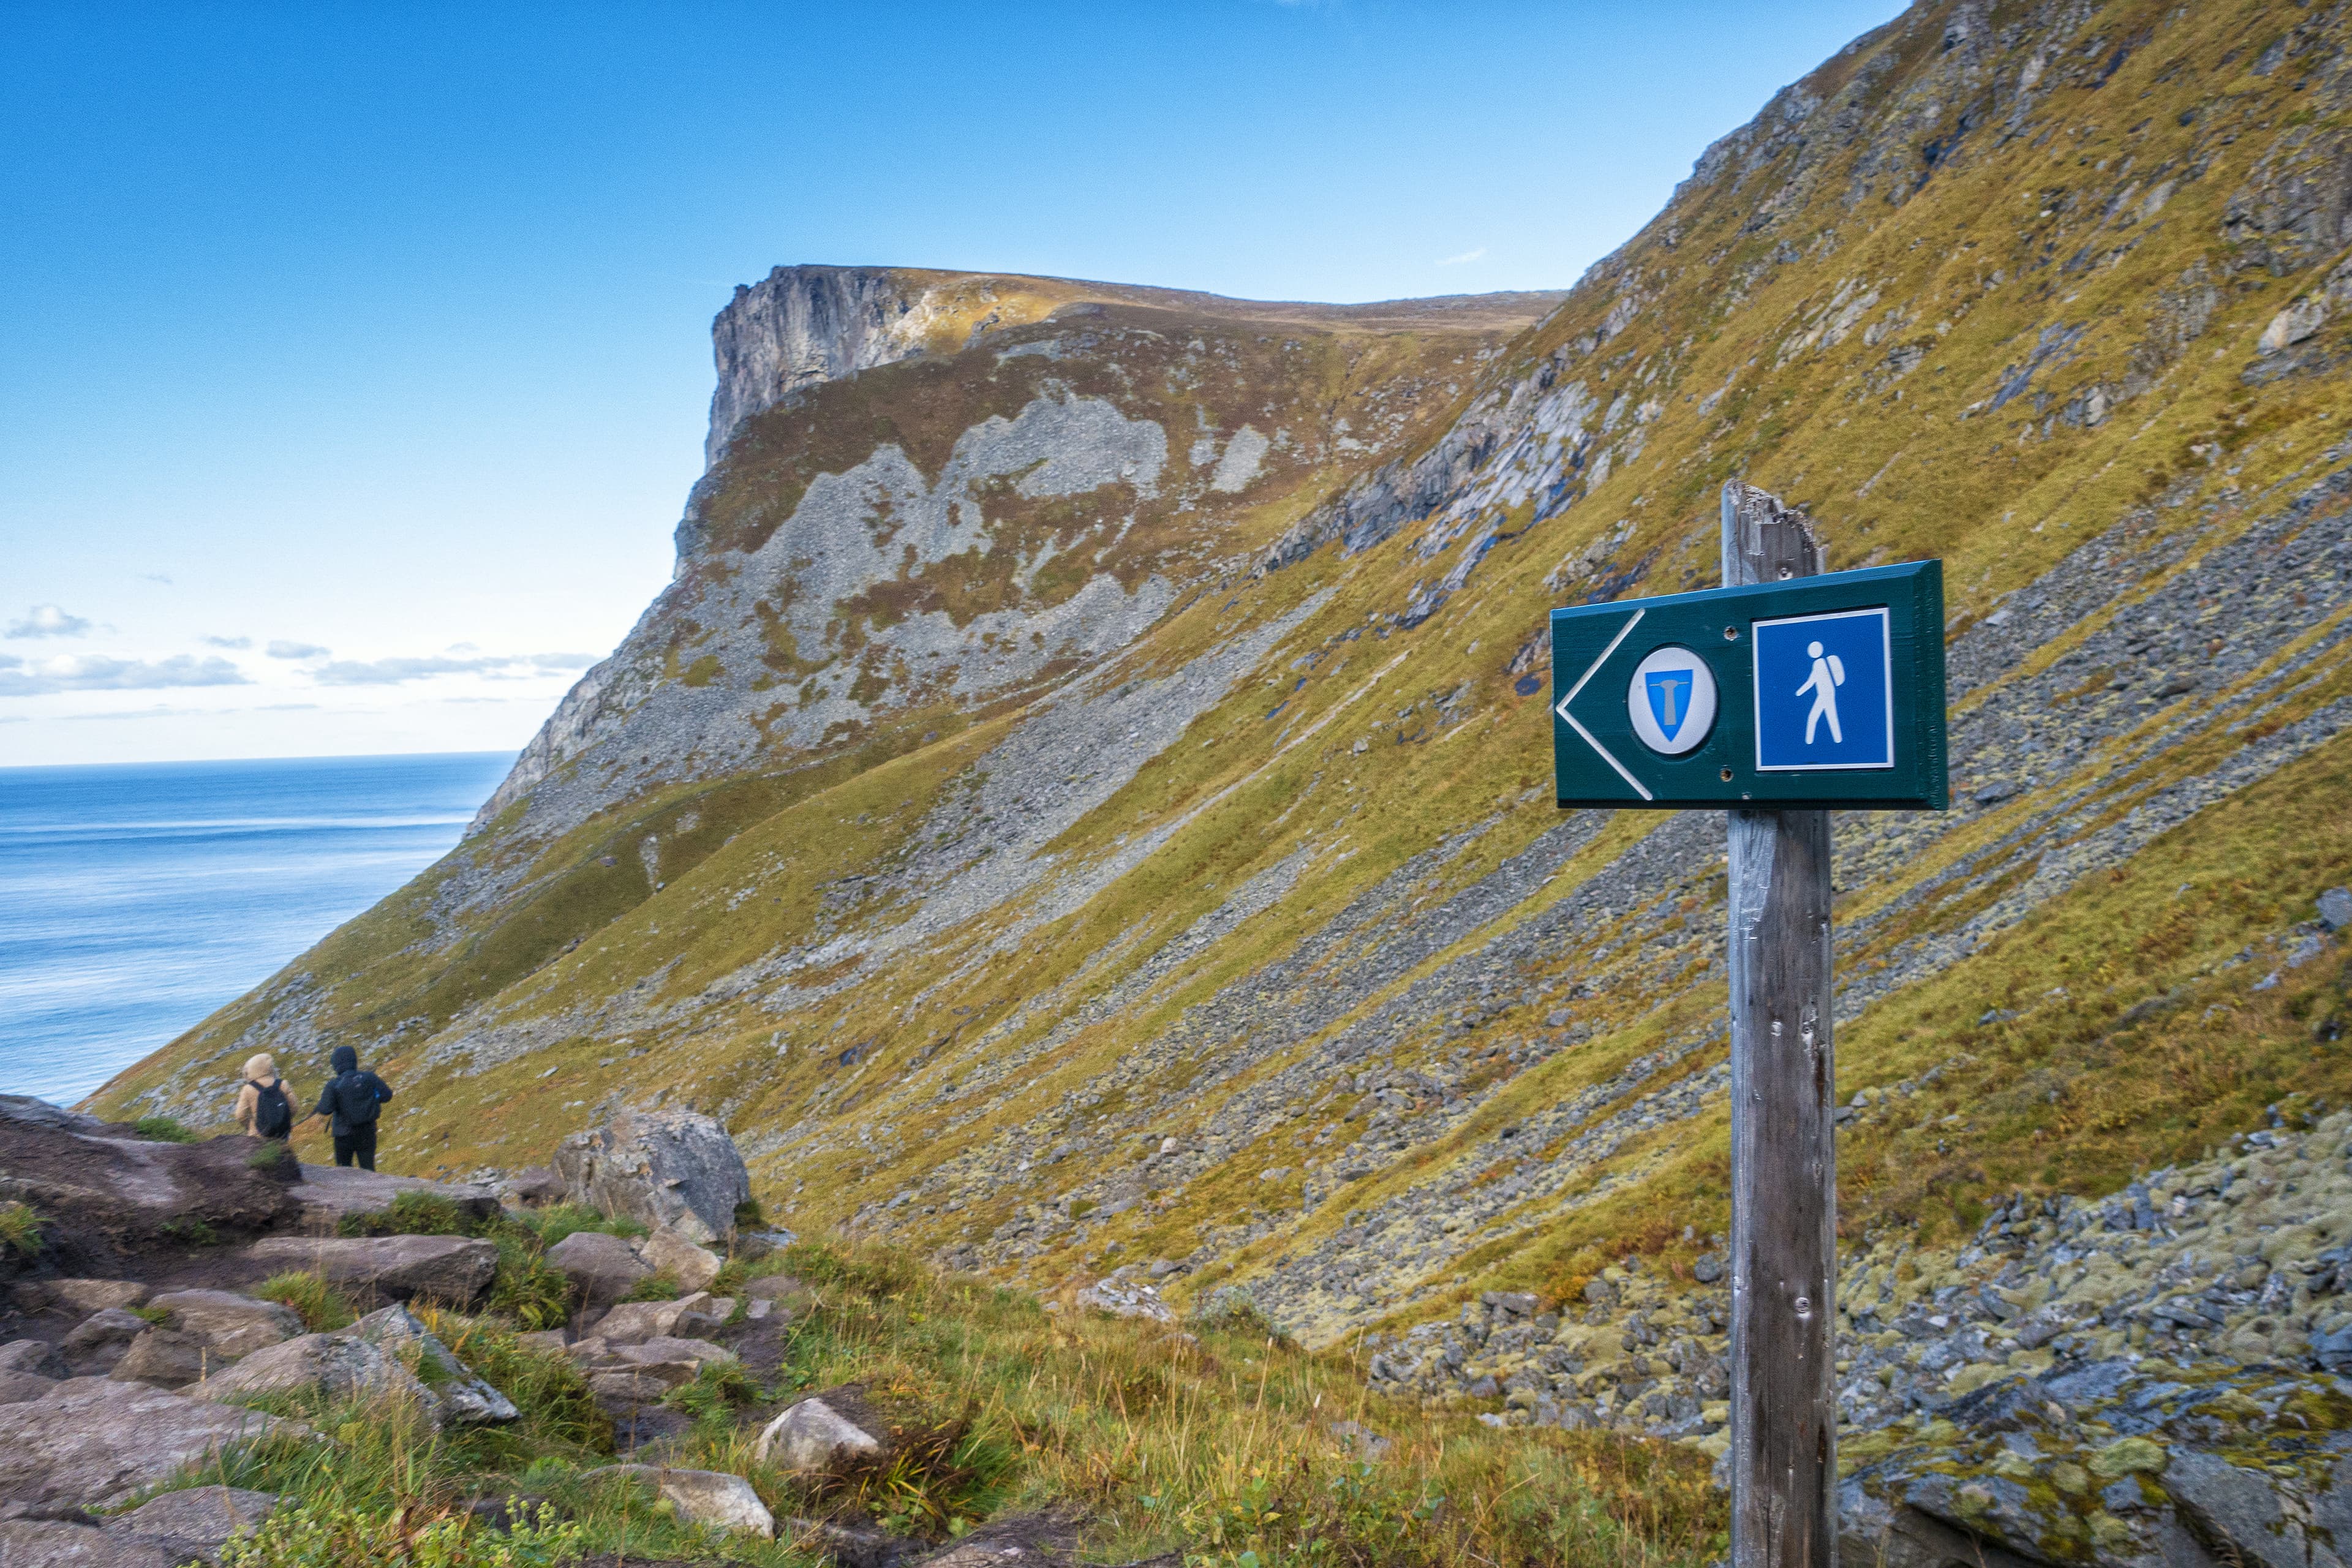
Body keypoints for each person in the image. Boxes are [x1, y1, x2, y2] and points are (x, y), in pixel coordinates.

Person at [316, 1044, 393, 1170]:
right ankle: (371, 1184)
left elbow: (325, 1109)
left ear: (336, 1065)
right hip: (367, 1131)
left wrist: (322, 1105)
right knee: (368, 1169)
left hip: (343, 1134)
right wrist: (370, 1099)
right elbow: (387, 1096)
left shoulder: (333, 1085)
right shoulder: (369, 1077)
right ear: (354, 1060)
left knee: (344, 1171)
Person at [235, 1052, 296, 1140]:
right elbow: (294, 1108)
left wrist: (252, 1127)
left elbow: (240, 1115)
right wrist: (283, 1121)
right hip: (282, 1134)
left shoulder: (247, 1089)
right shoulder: (282, 1084)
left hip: (258, 1138)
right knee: (284, 1149)